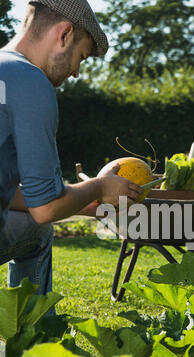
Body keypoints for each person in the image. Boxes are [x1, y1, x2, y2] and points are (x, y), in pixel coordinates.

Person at [0, 0, 143, 315]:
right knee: (40, 227)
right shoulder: (29, 80)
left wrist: (83, 202)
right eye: (81, 57)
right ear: (64, 34)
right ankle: (33, 348)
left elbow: (9, 195)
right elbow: (46, 207)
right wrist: (99, 187)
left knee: (32, 229)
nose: (77, 72)